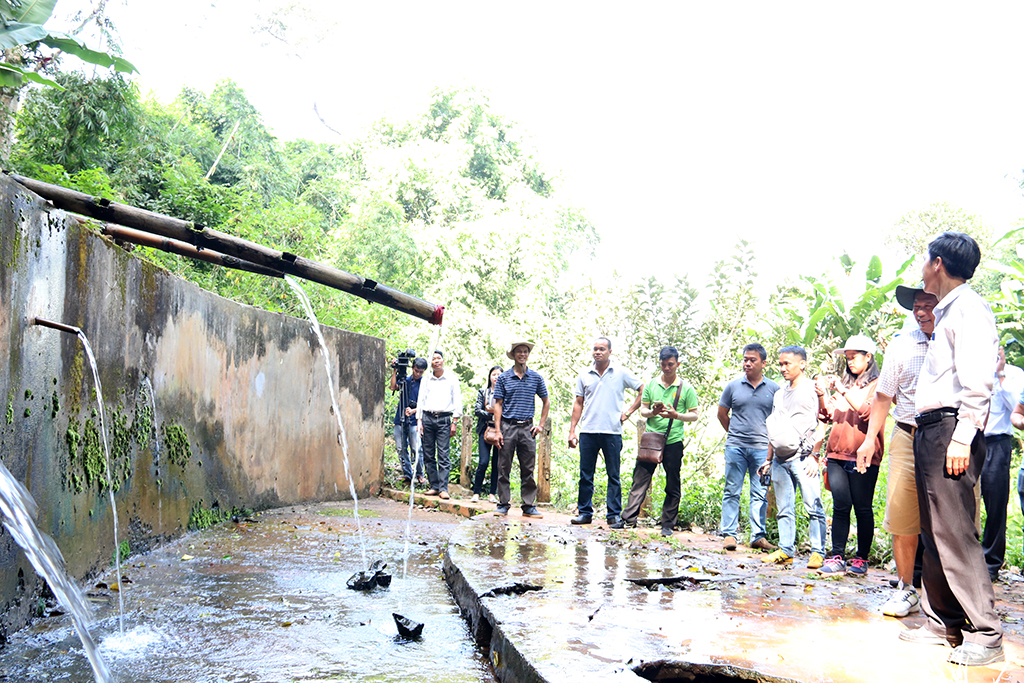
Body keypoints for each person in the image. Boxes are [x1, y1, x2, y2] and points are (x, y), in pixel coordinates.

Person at [897, 232, 1003, 667]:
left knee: (956, 532)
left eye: (925, 261)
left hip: (950, 428)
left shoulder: (969, 309)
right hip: (930, 428)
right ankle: (943, 623)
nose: (923, 268)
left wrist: (962, 436)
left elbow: (978, 381)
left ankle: (986, 633)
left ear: (937, 263)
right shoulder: (948, 311)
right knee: (935, 532)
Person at [857, 284, 937, 618]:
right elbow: (883, 396)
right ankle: (907, 590)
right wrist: (869, 440)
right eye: (916, 306)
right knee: (902, 517)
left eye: (927, 304)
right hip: (906, 434)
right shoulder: (901, 345)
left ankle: (947, 598)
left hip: (947, 438)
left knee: (950, 522)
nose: (920, 312)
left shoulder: (955, 340)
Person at [815, 334, 883, 577]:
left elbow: (868, 413)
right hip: (836, 455)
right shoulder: (846, 386)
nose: (850, 361)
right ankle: (837, 557)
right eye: (848, 358)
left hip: (864, 456)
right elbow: (826, 415)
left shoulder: (878, 386)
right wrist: (822, 394)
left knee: (863, 508)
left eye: (854, 357)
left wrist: (843, 390)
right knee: (840, 506)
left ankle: (861, 559)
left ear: (868, 357)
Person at [758, 345, 826, 569]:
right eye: (780, 364)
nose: (783, 368)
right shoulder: (779, 393)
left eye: (787, 363)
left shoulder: (813, 390)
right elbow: (774, 427)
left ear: (802, 364)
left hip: (804, 458)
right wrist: (768, 459)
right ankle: (785, 550)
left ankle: (818, 552)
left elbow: (824, 421)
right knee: (784, 508)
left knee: (813, 506)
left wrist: (815, 455)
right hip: (780, 459)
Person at [567, 337, 644, 529]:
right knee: (586, 474)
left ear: (610, 351)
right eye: (595, 349)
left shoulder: (620, 373)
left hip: (612, 431)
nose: (598, 352)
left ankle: (613, 515)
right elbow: (578, 403)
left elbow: (643, 390)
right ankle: (584, 513)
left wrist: (628, 412)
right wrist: (572, 431)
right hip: (588, 431)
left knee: (613, 475)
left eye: (602, 349)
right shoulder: (584, 374)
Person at [621, 347, 698, 536]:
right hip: (651, 439)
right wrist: (653, 412)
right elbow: (643, 411)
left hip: (673, 441)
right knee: (639, 480)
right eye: (663, 364)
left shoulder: (686, 388)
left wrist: (676, 415)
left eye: (670, 364)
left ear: (677, 364)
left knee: (672, 482)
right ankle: (628, 520)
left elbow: (694, 415)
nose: (667, 368)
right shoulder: (651, 385)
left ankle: (668, 525)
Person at [717, 342, 779, 552]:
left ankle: (758, 536)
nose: (748, 364)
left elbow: (778, 419)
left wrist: (770, 448)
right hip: (736, 447)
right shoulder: (733, 386)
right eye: (745, 360)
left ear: (764, 363)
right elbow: (722, 414)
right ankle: (729, 534)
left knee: (760, 493)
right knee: (731, 490)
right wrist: (734, 433)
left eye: (753, 360)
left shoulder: (774, 389)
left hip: (762, 450)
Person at [980, 344, 1024, 580]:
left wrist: (1000, 374)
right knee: (964, 502)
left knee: (996, 505)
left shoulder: (1015, 374)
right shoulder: (970, 370)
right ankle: (968, 559)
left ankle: (991, 563)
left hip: (997, 443)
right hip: (969, 441)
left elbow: (1016, 409)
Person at [493, 340, 550, 518]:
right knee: (503, 467)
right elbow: (498, 404)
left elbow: (546, 401)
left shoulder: (536, 377)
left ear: (528, 354)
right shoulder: (504, 378)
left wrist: (540, 425)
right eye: (519, 351)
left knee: (528, 468)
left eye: (525, 351)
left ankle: (528, 505)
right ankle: (503, 504)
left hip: (527, 428)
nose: (522, 354)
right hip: (508, 426)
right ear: (513, 355)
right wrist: (498, 430)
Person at [416, 350, 462, 500]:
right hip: (427, 418)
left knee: (443, 454)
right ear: (430, 362)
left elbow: (457, 400)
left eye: (438, 358)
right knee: (428, 454)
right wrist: (419, 421)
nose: (436, 361)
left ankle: (443, 488)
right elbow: (420, 401)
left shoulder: (451, 379)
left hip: (444, 419)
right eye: (433, 359)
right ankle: (434, 486)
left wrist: (455, 422)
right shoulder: (426, 379)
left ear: (443, 360)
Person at [389, 355, 427, 485]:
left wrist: (414, 410)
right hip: (400, 418)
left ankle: (420, 474)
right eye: (416, 371)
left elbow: (427, 403)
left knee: (416, 448)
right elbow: (393, 387)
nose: (418, 374)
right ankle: (407, 473)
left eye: (420, 372)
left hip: (415, 420)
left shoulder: (424, 384)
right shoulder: (405, 380)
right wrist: (395, 369)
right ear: (412, 368)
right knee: (401, 447)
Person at [472, 365, 503, 503]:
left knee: (497, 463)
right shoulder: (483, 392)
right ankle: (476, 492)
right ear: (489, 376)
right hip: (485, 430)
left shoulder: (506, 393)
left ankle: (492, 494)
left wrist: (493, 411)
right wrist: (492, 414)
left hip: (500, 431)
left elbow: (507, 412)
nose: (496, 377)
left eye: (499, 375)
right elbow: (477, 410)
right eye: (494, 374)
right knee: (483, 462)